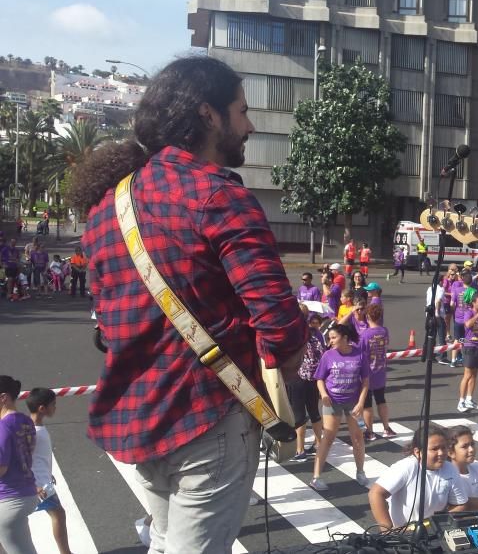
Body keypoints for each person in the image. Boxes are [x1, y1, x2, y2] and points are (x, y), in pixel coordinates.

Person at [76, 56, 308, 553]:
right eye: (241, 111)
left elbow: (104, 322)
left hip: (136, 418)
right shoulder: (217, 195)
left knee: (163, 543)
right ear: (208, 114)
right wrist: (282, 378)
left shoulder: (105, 207)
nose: (249, 125)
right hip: (207, 417)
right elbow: (279, 319)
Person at [369, 425, 469, 529]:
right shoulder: (406, 467)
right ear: (417, 452)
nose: (441, 453)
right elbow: (376, 493)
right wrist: (387, 529)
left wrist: (436, 523)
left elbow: (460, 504)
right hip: (402, 534)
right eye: (434, 449)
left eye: (444, 448)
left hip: (434, 531)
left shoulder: (450, 469)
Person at [310, 323, 369, 490]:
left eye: (334, 337)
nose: (331, 341)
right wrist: (324, 395)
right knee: (327, 438)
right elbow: (319, 379)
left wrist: (361, 402)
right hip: (332, 402)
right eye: (329, 338)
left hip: (353, 403)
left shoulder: (360, 355)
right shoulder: (328, 355)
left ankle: (360, 472)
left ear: (345, 338)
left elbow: (365, 381)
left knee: (357, 437)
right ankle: (316, 477)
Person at [26, 388, 71, 554]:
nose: (55, 408)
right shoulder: (32, 431)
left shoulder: (35, 427)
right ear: (42, 408)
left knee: (57, 514)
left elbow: (38, 456)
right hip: (38, 486)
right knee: (58, 514)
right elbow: (23, 459)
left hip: (41, 480)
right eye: (53, 405)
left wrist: (48, 471)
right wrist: (34, 484)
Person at [0, 376, 38, 554]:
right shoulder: (26, 421)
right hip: (26, 492)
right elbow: (29, 451)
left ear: (3, 397)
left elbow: (2, 468)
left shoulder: (2, 427)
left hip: (8, 499)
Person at [289, 309, 326, 463]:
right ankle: (318, 444)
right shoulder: (315, 332)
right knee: (313, 411)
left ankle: (300, 449)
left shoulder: (294, 332)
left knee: (299, 414)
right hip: (314, 377)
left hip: (297, 376)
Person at [360, 304, 394, 441]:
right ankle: (387, 427)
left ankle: (370, 431)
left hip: (367, 373)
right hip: (381, 370)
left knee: (367, 404)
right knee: (381, 400)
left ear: (367, 316)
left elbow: (360, 352)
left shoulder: (366, 334)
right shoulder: (384, 331)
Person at [457, 290, 478, 412]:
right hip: (469, 346)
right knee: (467, 375)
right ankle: (461, 401)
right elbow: (468, 325)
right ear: (474, 303)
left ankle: (469, 399)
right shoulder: (469, 312)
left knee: (474, 375)